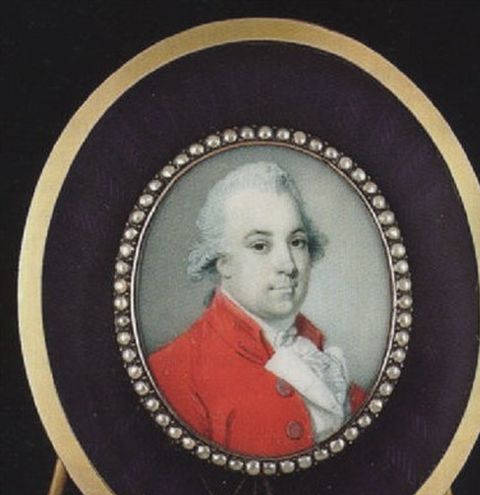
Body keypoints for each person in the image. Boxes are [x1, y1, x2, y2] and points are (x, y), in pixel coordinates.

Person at [148, 162, 365, 457]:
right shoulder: (172, 374)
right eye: (260, 246)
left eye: (297, 242)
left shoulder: (320, 353)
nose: (288, 265)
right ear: (222, 261)